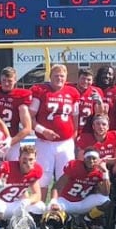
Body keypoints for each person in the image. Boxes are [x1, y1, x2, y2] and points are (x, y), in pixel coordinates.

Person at [29, 64, 81, 202]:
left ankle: (60, 209)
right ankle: (38, 210)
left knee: (65, 177)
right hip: (44, 143)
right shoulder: (40, 91)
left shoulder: (72, 92)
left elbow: (75, 116)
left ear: (66, 77)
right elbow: (30, 116)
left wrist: (74, 133)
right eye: (56, 75)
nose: (59, 78)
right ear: (50, 77)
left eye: (62, 76)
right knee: (42, 178)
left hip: (65, 143)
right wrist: (43, 130)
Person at [49, 147, 111, 229]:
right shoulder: (74, 166)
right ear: (84, 159)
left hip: (83, 202)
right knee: (49, 209)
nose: (91, 161)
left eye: (94, 158)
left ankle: (87, 220)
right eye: (89, 158)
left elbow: (106, 193)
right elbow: (57, 186)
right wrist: (53, 202)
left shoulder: (99, 171)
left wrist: (105, 173)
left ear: (98, 160)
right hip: (66, 202)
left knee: (106, 201)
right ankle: (68, 219)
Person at [0, 144, 46, 227]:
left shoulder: (35, 171)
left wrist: (27, 201)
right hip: (3, 204)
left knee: (40, 206)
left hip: (17, 204)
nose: (27, 163)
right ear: (19, 158)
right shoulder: (7, 168)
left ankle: (28, 226)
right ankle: (0, 225)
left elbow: (37, 195)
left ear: (35, 160)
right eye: (24, 159)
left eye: (31, 159)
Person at [0, 67, 33, 160]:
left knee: (12, 169)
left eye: (9, 81)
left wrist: (10, 141)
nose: (6, 83)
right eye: (4, 80)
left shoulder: (21, 96)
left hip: (12, 139)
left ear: (15, 80)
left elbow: (27, 128)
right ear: (0, 79)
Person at [72, 68, 106, 134]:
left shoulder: (96, 91)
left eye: (88, 80)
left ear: (92, 80)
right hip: (71, 129)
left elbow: (100, 114)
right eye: (83, 79)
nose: (85, 81)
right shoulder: (70, 89)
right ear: (78, 78)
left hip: (88, 131)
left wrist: (100, 102)